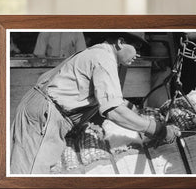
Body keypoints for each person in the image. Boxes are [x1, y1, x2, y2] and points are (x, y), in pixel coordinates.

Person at [10, 32, 179, 174]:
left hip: (41, 108)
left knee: (27, 172)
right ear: (120, 42)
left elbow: (109, 99)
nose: (138, 54)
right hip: (44, 114)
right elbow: (114, 111)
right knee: (29, 177)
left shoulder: (98, 53)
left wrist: (134, 109)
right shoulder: (104, 59)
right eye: (137, 48)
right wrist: (158, 130)